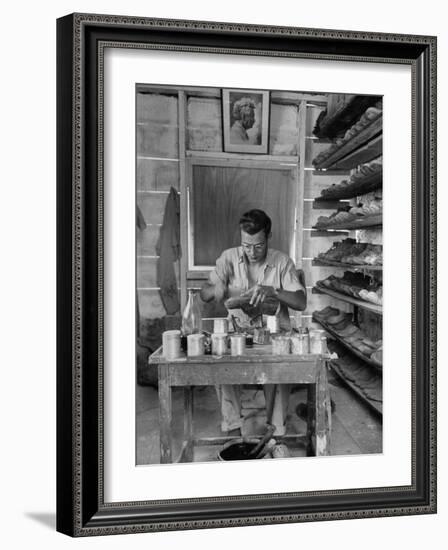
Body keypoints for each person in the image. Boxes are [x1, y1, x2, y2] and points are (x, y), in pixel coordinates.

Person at [200, 209, 307, 436]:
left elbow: (301, 302)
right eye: (246, 245)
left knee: (278, 366)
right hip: (238, 333)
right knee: (222, 361)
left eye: (258, 246)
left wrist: (274, 291)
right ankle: (233, 425)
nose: (251, 252)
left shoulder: (282, 262)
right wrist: (215, 290)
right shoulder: (228, 258)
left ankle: (275, 430)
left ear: (268, 236)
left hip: (274, 335)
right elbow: (204, 293)